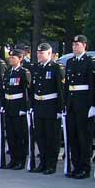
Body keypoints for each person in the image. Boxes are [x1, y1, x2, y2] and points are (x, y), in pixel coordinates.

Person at [63, 35, 95, 179]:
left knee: (84, 137)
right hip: (72, 103)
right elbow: (67, 85)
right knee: (73, 136)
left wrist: (92, 104)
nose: (75, 46)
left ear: (84, 45)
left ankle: (85, 167)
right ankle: (76, 166)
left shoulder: (89, 61)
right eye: (73, 44)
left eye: (78, 44)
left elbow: (93, 85)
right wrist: (65, 103)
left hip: (84, 103)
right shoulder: (70, 62)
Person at [29, 43, 65, 174]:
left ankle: (51, 164)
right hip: (39, 106)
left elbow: (60, 90)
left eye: (42, 53)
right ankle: (43, 162)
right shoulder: (36, 68)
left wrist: (60, 109)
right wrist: (32, 106)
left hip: (51, 106)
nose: (39, 55)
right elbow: (33, 89)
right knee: (41, 136)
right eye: (38, 53)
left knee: (52, 137)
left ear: (49, 54)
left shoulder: (56, 68)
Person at [2, 49, 31, 169]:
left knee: (20, 135)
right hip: (9, 106)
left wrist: (24, 108)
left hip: (19, 106)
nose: (11, 59)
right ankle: (13, 159)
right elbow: (5, 90)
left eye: (14, 57)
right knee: (11, 135)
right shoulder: (8, 72)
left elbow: (27, 92)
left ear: (20, 59)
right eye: (10, 57)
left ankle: (20, 160)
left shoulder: (24, 72)